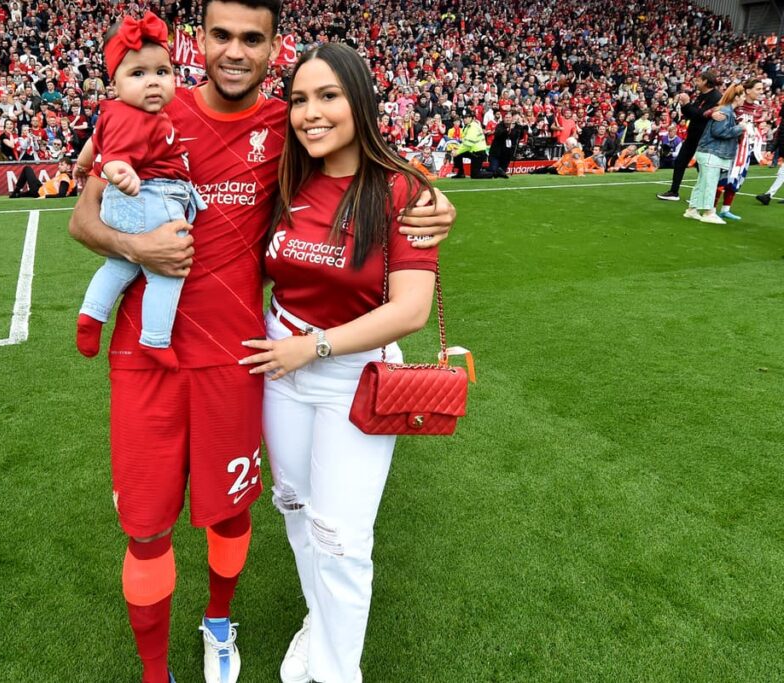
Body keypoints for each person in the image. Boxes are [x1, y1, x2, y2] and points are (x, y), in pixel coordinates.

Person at [67, 2, 455, 682]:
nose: (235, 50)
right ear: (201, 40)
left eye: (253, 38)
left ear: (274, 47)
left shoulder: (288, 127)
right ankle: (155, 673)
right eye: (222, 35)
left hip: (239, 356)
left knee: (231, 508)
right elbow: (82, 216)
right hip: (146, 356)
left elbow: (361, 164)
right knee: (149, 526)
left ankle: (220, 621)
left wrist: (431, 199)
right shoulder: (156, 109)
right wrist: (137, 245)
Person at [238, 43, 440, 683]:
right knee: (296, 509)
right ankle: (319, 625)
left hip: (355, 374)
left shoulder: (403, 188)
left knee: (343, 540)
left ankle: (335, 672)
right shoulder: (285, 180)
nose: (310, 113)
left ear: (361, 101)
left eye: (328, 96)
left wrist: (316, 347)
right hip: (282, 363)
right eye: (299, 99)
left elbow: (410, 310)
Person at [73, 13, 206, 368]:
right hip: (151, 198)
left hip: (128, 204)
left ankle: (91, 315)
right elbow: (116, 156)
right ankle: (155, 339)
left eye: (162, 73)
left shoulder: (113, 112)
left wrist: (85, 164)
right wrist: (121, 173)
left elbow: (95, 145)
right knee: (168, 271)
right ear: (113, 81)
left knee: (117, 266)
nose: (153, 83)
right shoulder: (135, 117)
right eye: (138, 74)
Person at [683, 84, 747, 225]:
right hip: (712, 151)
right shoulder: (726, 112)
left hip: (709, 151)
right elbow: (718, 132)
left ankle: (692, 210)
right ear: (736, 97)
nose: (744, 99)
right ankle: (708, 212)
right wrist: (739, 128)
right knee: (710, 183)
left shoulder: (724, 110)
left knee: (702, 183)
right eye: (742, 96)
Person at [658, 70, 722, 201]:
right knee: (680, 162)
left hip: (704, 137)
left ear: (705, 81)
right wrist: (684, 105)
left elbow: (701, 115)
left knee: (702, 167)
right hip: (693, 135)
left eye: (699, 80)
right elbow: (690, 114)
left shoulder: (715, 96)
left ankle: (703, 194)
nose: (696, 82)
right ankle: (674, 191)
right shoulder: (701, 95)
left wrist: (687, 104)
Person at [713, 78, 765, 221]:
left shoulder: (758, 109)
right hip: (729, 149)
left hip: (745, 151)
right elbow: (715, 111)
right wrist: (712, 114)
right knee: (723, 178)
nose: (762, 92)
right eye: (758, 89)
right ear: (748, 91)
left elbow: (756, 128)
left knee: (737, 178)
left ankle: (725, 210)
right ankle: (711, 209)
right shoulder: (734, 106)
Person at [449, 109, 491, 178]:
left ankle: (494, 172)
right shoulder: (467, 126)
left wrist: (458, 151)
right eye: (463, 117)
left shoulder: (473, 127)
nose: (464, 119)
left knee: (475, 175)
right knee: (458, 154)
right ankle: (461, 173)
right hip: (473, 151)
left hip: (479, 153)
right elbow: (464, 143)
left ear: (471, 118)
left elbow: (468, 144)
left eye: (466, 117)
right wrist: (457, 150)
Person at [8, 156, 77, 198]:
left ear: (68, 167)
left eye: (61, 165)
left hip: (39, 192)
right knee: (25, 193)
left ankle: (16, 191)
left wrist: (45, 197)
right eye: (59, 164)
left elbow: (62, 194)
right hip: (41, 188)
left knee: (27, 169)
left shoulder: (65, 177)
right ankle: (16, 194)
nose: (59, 166)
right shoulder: (66, 176)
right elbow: (73, 192)